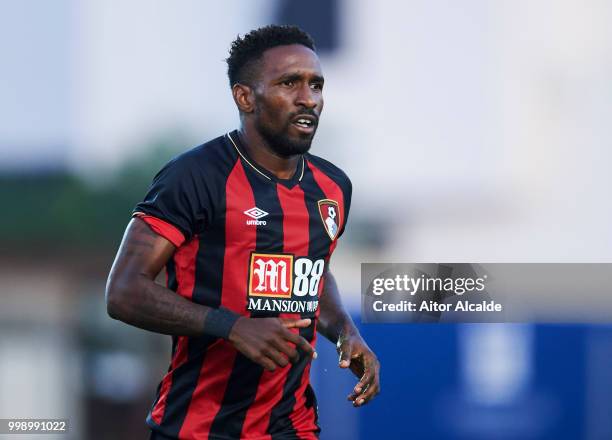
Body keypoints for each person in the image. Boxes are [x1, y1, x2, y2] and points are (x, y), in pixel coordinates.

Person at [106, 24, 380, 440]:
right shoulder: (196, 176)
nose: (308, 98)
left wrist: (345, 330)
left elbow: (312, 270)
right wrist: (232, 326)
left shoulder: (333, 186)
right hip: (197, 428)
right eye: (290, 83)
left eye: (316, 85)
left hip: (292, 427)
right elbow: (124, 291)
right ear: (245, 96)